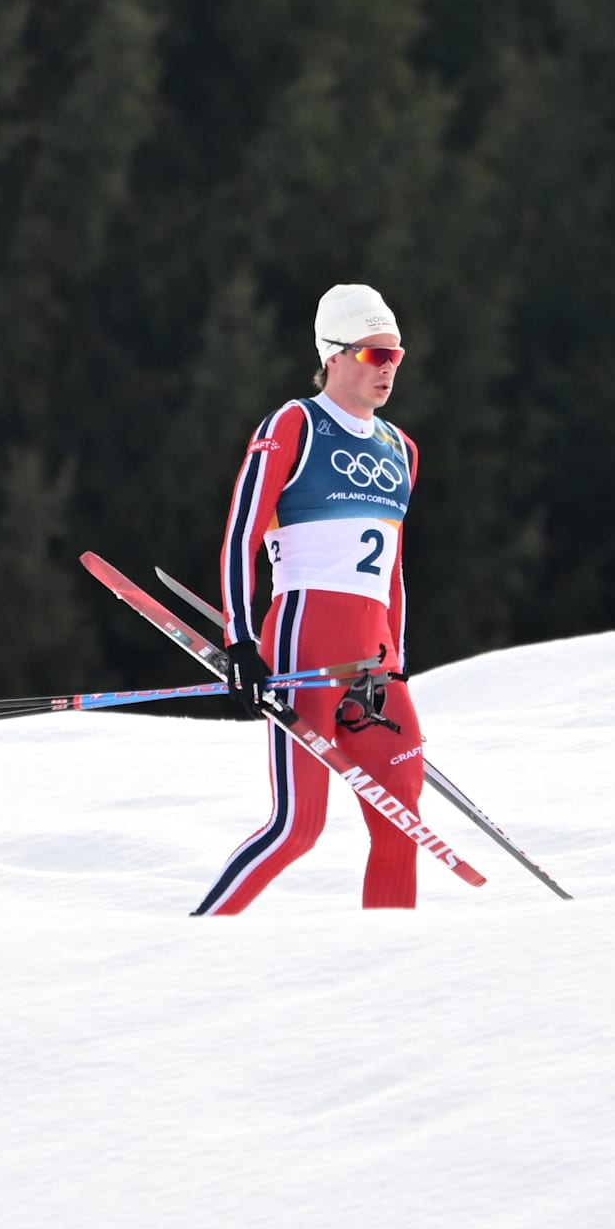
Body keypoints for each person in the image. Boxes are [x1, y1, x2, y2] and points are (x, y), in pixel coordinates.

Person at [202, 284, 425, 914]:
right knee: (297, 828)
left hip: (375, 654)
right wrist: (241, 644)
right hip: (304, 637)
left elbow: (395, 567)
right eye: (373, 355)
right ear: (335, 355)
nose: (387, 368)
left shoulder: (401, 448)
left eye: (396, 356)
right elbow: (240, 537)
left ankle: (387, 973)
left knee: (403, 818)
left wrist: (397, 657)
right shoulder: (295, 423)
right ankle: (195, 936)